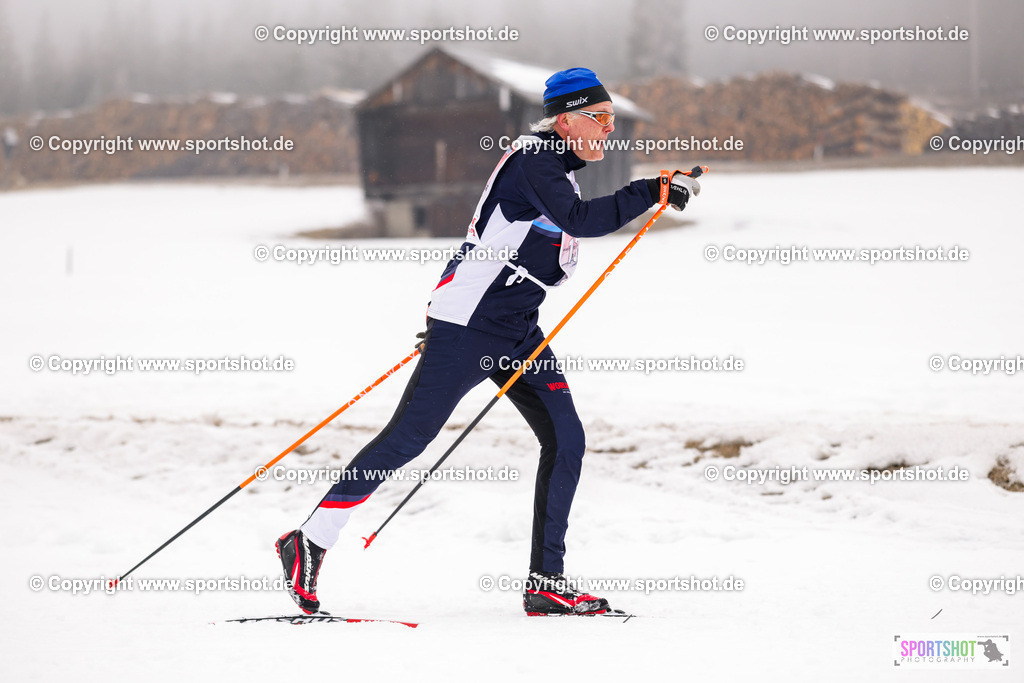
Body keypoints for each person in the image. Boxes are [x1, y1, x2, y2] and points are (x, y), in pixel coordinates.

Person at [276, 67, 698, 616]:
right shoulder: (533, 161)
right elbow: (581, 220)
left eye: (613, 120)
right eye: (601, 119)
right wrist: (652, 190)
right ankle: (308, 542)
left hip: (517, 330)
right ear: (567, 120)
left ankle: (546, 582)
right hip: (468, 325)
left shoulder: (557, 166)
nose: (609, 131)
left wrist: (655, 191)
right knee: (408, 439)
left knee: (566, 439)